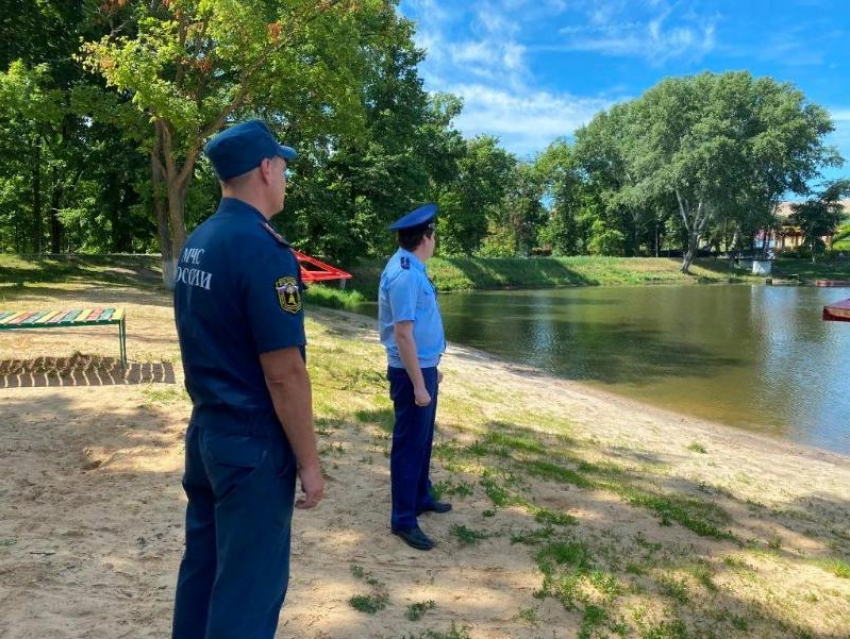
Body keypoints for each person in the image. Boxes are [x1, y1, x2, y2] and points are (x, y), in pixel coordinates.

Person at [171, 119, 324, 639]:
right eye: (282, 166)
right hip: (251, 445)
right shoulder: (263, 249)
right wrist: (309, 462)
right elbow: (284, 374)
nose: (285, 177)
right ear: (265, 168)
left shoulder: (201, 239)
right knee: (248, 592)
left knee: (204, 571)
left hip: (207, 433)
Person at [378, 203, 451, 551]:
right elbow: (403, 334)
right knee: (409, 444)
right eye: (433, 235)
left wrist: (431, 367)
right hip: (411, 372)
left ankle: (420, 495)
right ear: (426, 238)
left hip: (422, 366)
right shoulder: (406, 274)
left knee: (422, 440)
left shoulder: (411, 267)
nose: (434, 241)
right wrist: (420, 383)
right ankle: (403, 519)